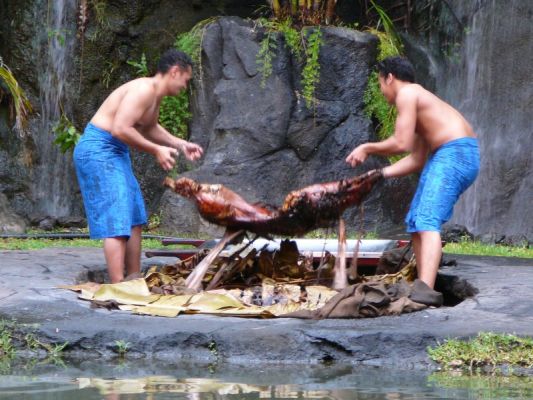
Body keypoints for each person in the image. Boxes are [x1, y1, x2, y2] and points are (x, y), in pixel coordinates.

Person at [346, 56, 479, 289]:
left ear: (390, 78)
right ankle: (423, 283)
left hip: (455, 153)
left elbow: (401, 143)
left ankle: (424, 290)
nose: (382, 92)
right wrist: (379, 174)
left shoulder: (407, 94)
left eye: (380, 85)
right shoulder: (419, 103)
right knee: (417, 220)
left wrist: (367, 147)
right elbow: (416, 159)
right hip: (450, 154)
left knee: (427, 220)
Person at [73, 49, 203, 283]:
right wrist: (155, 150)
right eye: (186, 79)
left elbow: (149, 127)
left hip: (115, 151)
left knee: (134, 214)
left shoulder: (155, 95)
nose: (186, 86)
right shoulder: (144, 89)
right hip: (98, 149)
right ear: (175, 72)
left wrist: (180, 144)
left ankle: (133, 278)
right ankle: (118, 284)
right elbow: (121, 128)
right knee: (118, 215)